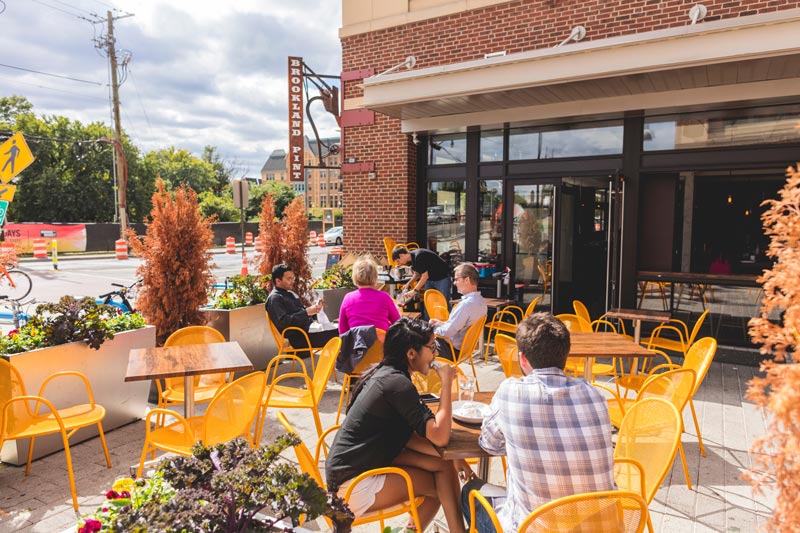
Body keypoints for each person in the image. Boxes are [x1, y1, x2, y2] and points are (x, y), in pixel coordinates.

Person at [460, 312, 616, 532]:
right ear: (566, 354)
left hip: (537, 526)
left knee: (470, 491)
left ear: (522, 358)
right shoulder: (596, 395)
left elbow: (489, 445)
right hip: (598, 526)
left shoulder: (510, 392)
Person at [326, 317, 467, 533]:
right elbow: (439, 436)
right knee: (440, 487)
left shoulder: (384, 373)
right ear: (411, 353)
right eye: (432, 347)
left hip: (361, 462)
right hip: (352, 484)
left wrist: (455, 457)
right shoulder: (397, 385)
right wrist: (446, 383)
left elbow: (408, 437)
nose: (436, 354)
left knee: (444, 467)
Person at [266, 263, 338, 350]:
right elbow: (284, 322)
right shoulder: (275, 298)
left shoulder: (288, 293)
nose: (293, 281)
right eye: (289, 279)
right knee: (343, 332)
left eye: (293, 278)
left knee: (342, 327)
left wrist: (315, 310)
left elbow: (302, 312)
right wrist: (307, 312)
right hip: (300, 338)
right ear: (278, 281)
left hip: (309, 331)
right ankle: (345, 362)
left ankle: (346, 361)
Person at [429, 263, 487, 361]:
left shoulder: (466, 305)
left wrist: (432, 330)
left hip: (450, 350)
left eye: (456, 279)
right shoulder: (481, 302)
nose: (454, 283)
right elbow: (459, 326)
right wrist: (441, 324)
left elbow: (447, 332)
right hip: (463, 351)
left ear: (467, 280)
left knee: (412, 345)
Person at [338, 257, 401, 334]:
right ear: (375, 277)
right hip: (381, 343)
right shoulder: (384, 297)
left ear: (355, 276)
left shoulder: (348, 298)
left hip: (357, 343)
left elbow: (342, 330)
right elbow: (398, 323)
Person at [392, 245, 452, 320]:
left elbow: (424, 276)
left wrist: (414, 291)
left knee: (444, 301)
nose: (399, 263)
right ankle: (427, 325)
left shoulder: (419, 256)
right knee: (428, 302)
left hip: (442, 277)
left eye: (398, 261)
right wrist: (408, 284)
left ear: (401, 255)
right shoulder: (411, 260)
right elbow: (417, 274)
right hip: (430, 279)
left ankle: (448, 323)